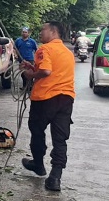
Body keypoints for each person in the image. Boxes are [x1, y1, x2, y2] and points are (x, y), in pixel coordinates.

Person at [20, 21, 75, 192]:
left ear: (53, 31)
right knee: (60, 139)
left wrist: (30, 74)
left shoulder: (44, 49)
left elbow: (46, 72)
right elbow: (52, 69)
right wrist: (34, 67)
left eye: (43, 29)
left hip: (45, 99)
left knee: (37, 131)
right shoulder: (67, 52)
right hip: (66, 99)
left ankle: (38, 164)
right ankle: (55, 178)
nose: (40, 33)